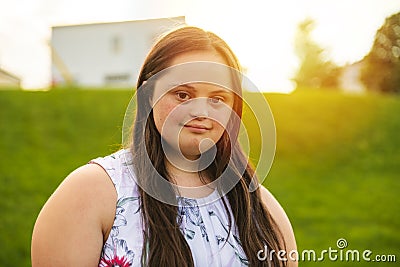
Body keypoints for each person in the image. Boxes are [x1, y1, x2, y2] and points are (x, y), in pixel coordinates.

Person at [31, 26, 297, 267]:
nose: (201, 111)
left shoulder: (260, 207)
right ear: (148, 94)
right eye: (183, 94)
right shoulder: (91, 193)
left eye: (218, 98)